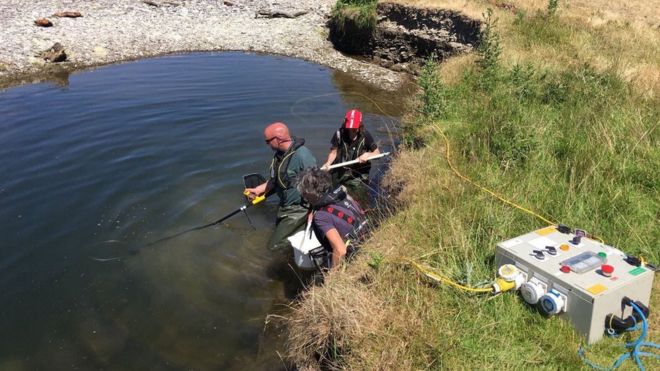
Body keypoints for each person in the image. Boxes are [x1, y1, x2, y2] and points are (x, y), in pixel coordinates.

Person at [245, 122, 317, 251]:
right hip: (284, 206)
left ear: (277, 140)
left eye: (268, 141)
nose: (267, 145)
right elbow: (276, 179)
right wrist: (258, 190)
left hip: (298, 209)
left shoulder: (302, 155)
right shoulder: (280, 155)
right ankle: (296, 239)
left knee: (274, 246)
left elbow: (316, 185)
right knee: (281, 234)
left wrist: (313, 210)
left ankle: (297, 250)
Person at [296, 167, 367, 269]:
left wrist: (332, 277)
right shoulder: (343, 195)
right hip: (366, 237)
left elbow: (340, 250)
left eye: (304, 194)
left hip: (357, 254)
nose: (304, 197)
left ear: (309, 193)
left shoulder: (321, 216)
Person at [320, 109, 380, 197]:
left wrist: (368, 154)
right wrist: (328, 163)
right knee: (333, 195)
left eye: (354, 128)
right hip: (340, 171)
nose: (352, 130)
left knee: (359, 197)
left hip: (357, 175)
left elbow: (377, 153)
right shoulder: (339, 134)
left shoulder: (366, 136)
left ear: (360, 124)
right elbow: (333, 152)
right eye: (350, 128)